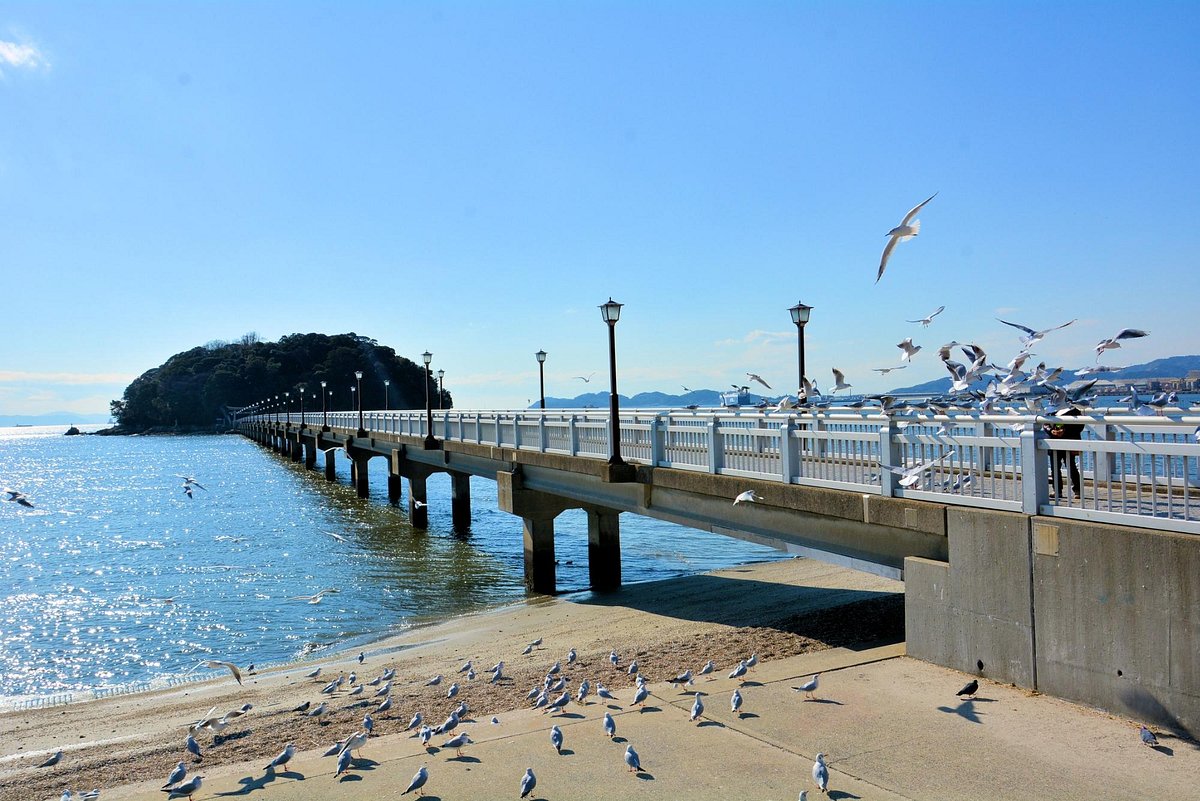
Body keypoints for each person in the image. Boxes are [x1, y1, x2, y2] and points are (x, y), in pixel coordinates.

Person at [1044, 407, 1084, 498]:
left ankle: (1078, 490)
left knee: (1071, 467)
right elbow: (1045, 423)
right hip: (1054, 443)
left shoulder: (1074, 410)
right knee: (1055, 468)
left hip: (1068, 442)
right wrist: (1051, 431)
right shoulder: (1051, 409)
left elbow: (1080, 425)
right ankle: (1057, 491)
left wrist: (1065, 431)